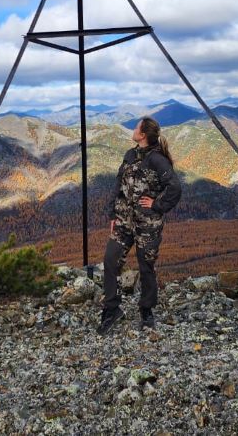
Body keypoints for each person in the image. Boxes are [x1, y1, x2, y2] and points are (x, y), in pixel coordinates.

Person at [97, 116, 182, 335]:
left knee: (146, 267)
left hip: (147, 224)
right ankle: (112, 309)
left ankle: (146, 311)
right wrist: (112, 214)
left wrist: (157, 204)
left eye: (136, 128)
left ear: (143, 135)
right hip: (124, 221)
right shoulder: (130, 155)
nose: (133, 130)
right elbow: (118, 184)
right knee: (110, 259)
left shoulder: (157, 160)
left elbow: (175, 187)